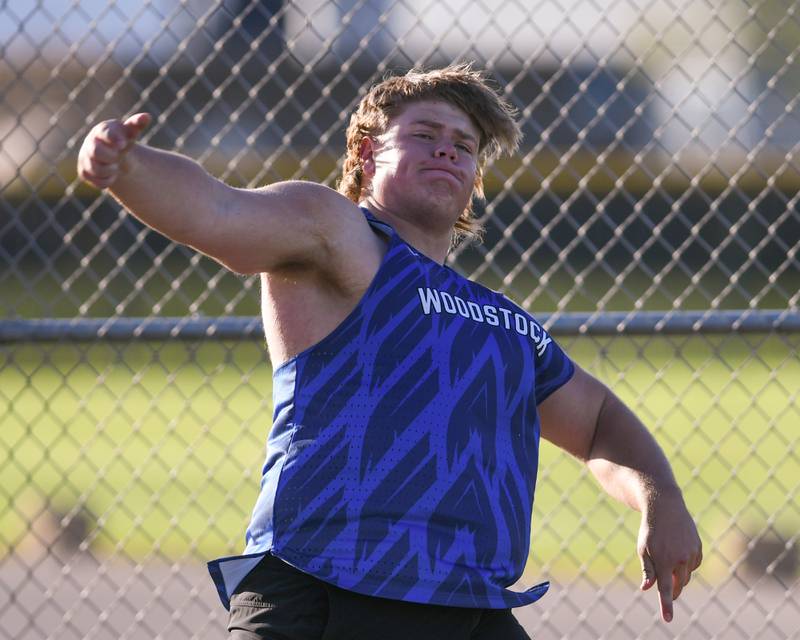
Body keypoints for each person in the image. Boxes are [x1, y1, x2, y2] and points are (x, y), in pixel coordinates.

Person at [77, 63, 702, 639]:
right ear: (365, 151)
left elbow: (595, 423)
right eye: (426, 133)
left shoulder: (505, 321)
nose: (447, 149)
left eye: (464, 145)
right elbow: (216, 210)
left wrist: (661, 498)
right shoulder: (338, 235)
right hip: (326, 589)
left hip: (470, 604)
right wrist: (126, 166)